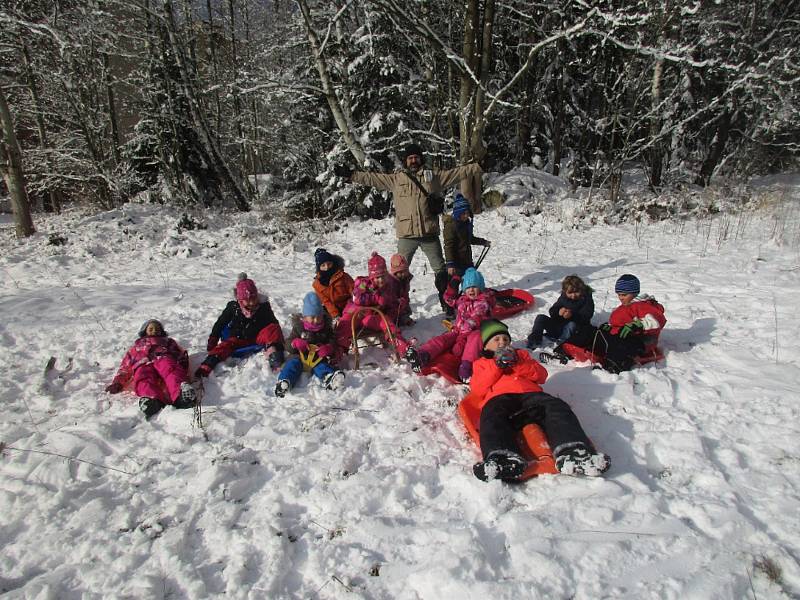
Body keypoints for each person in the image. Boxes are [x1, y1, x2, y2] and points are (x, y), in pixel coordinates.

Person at [336, 142, 482, 313]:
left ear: (421, 159)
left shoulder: (433, 177)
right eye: (410, 158)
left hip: (429, 234)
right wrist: (351, 175)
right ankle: (396, 307)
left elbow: (457, 173)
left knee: (441, 271)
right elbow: (372, 178)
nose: (413, 160)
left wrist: (477, 166)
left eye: (416, 157)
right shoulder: (397, 179)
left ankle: (447, 304)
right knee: (397, 274)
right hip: (406, 235)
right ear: (406, 161)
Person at [468, 319, 610, 481]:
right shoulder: (481, 363)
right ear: (486, 346)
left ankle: (572, 450)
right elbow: (478, 388)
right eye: (497, 340)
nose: (502, 343)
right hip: (502, 400)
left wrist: (518, 363)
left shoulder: (521, 355)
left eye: (505, 339)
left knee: (556, 406)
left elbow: (541, 375)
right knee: (491, 414)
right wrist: (496, 366)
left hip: (531, 397)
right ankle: (502, 457)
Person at [557, 274, 666, 373]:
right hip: (618, 337)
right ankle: (564, 350)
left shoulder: (643, 305)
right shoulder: (624, 307)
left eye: (624, 294)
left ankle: (613, 366)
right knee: (590, 331)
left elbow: (658, 320)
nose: (621, 297)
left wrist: (638, 324)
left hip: (638, 341)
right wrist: (609, 328)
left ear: (634, 292)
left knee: (621, 346)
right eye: (619, 295)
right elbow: (619, 325)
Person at [405, 267, 494, 383]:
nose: (471, 290)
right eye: (468, 287)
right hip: (458, 331)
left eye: (474, 287)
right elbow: (448, 298)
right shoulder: (462, 300)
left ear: (481, 288)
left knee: (474, 340)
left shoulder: (483, 302)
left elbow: (477, 316)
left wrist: (465, 330)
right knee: (442, 339)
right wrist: (453, 285)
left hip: (474, 332)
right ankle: (423, 354)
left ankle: (466, 366)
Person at [195, 274, 285, 378]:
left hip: (257, 337)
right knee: (224, 346)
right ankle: (207, 365)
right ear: (240, 300)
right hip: (238, 338)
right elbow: (220, 323)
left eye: (254, 298)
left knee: (274, 329)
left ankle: (275, 358)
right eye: (248, 300)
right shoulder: (233, 307)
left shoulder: (263, 307)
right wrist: (213, 339)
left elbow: (273, 323)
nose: (252, 302)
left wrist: (275, 339)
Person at [105, 319, 197, 419]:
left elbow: (179, 353)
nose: (154, 331)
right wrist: (118, 382)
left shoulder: (168, 342)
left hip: (163, 358)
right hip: (143, 363)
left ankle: (181, 394)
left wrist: (181, 362)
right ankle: (151, 399)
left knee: (170, 369)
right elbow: (125, 367)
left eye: (157, 328)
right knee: (142, 376)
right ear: (145, 331)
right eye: (151, 329)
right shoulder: (136, 347)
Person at [334, 252, 412, 356]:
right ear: (371, 276)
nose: (381, 280)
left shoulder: (388, 288)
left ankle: (401, 344)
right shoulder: (363, 283)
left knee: (387, 322)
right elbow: (357, 297)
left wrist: (398, 305)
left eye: (383, 277)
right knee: (345, 325)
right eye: (377, 277)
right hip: (354, 314)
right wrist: (376, 298)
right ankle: (337, 351)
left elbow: (391, 303)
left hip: (371, 317)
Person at [275, 292, 345, 397]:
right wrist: (295, 343)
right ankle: (284, 382)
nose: (316, 320)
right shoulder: (299, 328)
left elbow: (332, 340)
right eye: (312, 317)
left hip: (317, 358)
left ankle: (329, 377)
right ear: (305, 317)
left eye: (319, 317)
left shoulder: (326, 328)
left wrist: (328, 348)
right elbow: (288, 343)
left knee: (322, 366)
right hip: (299, 357)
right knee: (291, 365)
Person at [526, 275, 594, 349]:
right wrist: (558, 312)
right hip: (559, 327)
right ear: (565, 292)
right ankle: (534, 340)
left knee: (571, 324)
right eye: (570, 293)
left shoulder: (586, 299)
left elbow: (586, 316)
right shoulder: (563, 298)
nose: (573, 295)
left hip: (575, 331)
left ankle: (563, 345)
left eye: (576, 292)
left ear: (581, 290)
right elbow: (552, 311)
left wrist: (572, 315)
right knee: (540, 318)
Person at [442, 192, 491, 278]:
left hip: (467, 260)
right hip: (456, 263)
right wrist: (450, 264)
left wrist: (483, 242)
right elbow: (448, 246)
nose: (466, 215)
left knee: (471, 280)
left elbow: (470, 239)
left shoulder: (466, 223)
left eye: (467, 213)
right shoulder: (450, 226)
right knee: (454, 285)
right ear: (458, 213)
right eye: (464, 213)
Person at [312, 247, 354, 323]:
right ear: (319, 268)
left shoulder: (343, 276)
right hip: (332, 309)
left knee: (349, 317)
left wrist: (354, 302)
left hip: (348, 305)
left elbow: (354, 291)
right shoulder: (317, 284)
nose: (327, 267)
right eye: (323, 265)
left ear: (333, 263)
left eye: (329, 264)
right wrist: (335, 315)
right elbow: (326, 301)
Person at [387, 253, 414, 326]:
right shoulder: (391, 282)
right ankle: (393, 321)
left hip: (402, 304)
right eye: (400, 272)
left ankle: (404, 318)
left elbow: (406, 293)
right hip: (393, 305)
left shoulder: (405, 280)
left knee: (405, 309)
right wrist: (398, 301)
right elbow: (389, 298)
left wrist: (405, 301)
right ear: (395, 272)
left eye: (404, 271)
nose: (402, 274)